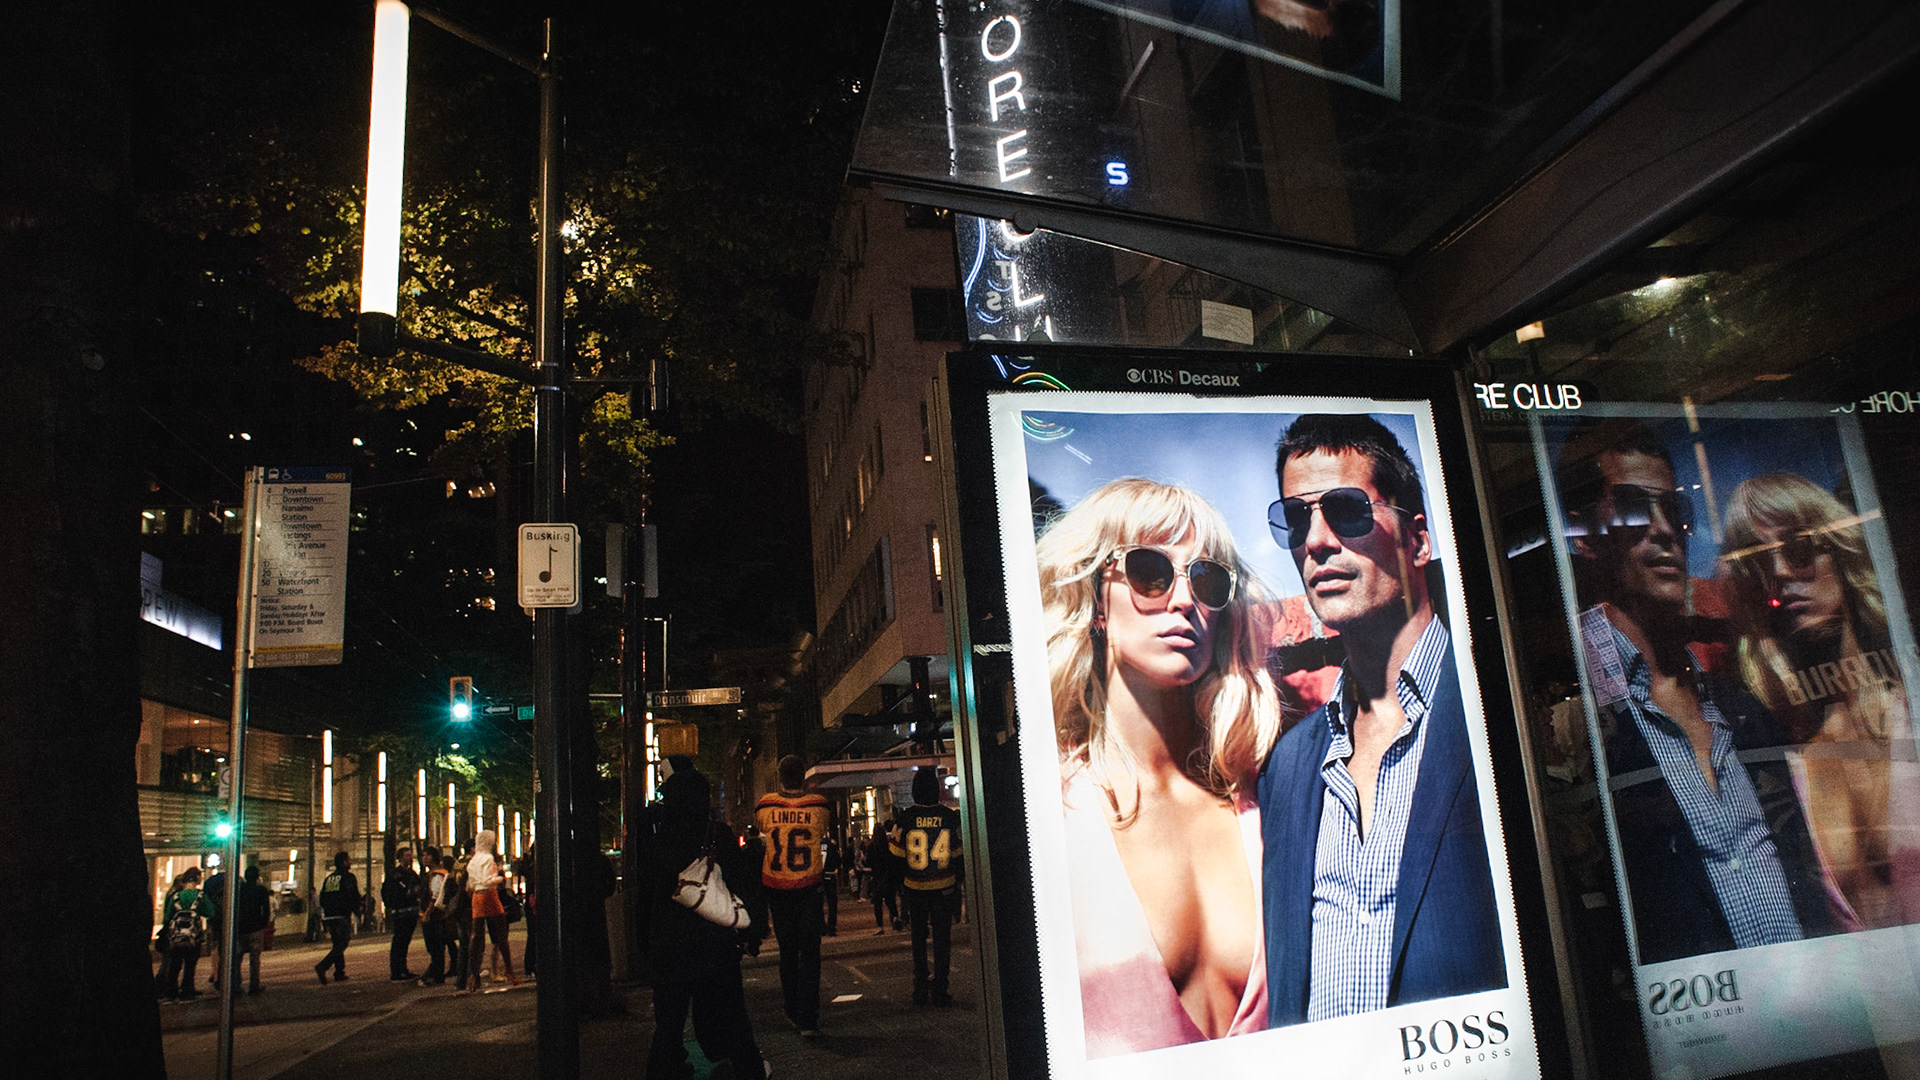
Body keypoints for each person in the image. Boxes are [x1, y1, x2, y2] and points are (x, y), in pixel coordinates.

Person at [1258, 414, 1504, 1025]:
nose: (1316, 541)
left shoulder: (1493, 711)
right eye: (1296, 519)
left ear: (1417, 540)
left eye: (1346, 510)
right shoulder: (1289, 765)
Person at [1559, 421, 1833, 963]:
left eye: (1674, 510)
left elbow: (1793, 857)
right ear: (1583, 535)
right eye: (1634, 508)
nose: (1664, 530)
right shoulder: (1584, 709)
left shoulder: (1735, 704)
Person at [1035, 477, 1279, 1055]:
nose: (1184, 600)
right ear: (1096, 600)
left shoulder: (1264, 799)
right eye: (1150, 571)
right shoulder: (1045, 811)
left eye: (1207, 579)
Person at [1721, 471, 1920, 930]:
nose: (1779, 572)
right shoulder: (1780, 761)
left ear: (1840, 551)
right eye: (1757, 563)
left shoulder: (1910, 706)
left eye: (1799, 547)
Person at [644, 759, 768, 1080]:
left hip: (669, 948)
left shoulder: (659, 841)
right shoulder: (718, 835)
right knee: (734, 1019)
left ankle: (665, 1071)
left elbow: (648, 899)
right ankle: (750, 1071)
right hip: (714, 946)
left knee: (668, 1027)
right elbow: (741, 885)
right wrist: (752, 932)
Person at [755, 754, 830, 1037]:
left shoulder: (766, 805)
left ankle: (792, 1007)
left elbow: (762, 826)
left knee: (787, 951)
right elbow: (821, 828)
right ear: (804, 778)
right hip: (809, 885)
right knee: (810, 952)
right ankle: (809, 1016)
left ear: (780, 777)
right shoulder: (818, 805)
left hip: (778, 886)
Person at [896, 767, 963, 1007]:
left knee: (918, 939)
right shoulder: (949, 817)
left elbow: (896, 856)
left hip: (914, 888)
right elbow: (958, 855)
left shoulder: (905, 818)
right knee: (942, 940)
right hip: (944, 887)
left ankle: (920, 989)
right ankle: (941, 989)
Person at [466, 830, 519, 990]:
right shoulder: (488, 859)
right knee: (501, 934)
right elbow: (487, 880)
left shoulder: (473, 861)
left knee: (476, 936)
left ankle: (473, 974)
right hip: (489, 895)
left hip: (477, 896)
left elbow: (472, 884)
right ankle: (509, 970)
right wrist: (500, 878)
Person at [156, 867, 208, 1002]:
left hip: (176, 936)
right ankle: (187, 989)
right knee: (190, 964)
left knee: (174, 963)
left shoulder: (176, 896)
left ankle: (171, 990)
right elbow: (210, 911)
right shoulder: (200, 896)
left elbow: (167, 917)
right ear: (196, 879)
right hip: (193, 936)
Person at [314, 852, 362, 983]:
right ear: (344, 862)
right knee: (343, 942)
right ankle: (323, 966)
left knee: (337, 943)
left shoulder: (329, 879)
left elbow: (322, 897)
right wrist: (357, 909)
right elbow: (352, 895)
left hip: (330, 916)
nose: (350, 862)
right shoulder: (348, 877)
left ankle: (339, 971)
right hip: (342, 914)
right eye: (349, 860)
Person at [231, 865, 272, 995]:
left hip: (240, 928)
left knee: (237, 958)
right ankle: (254, 985)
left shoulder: (239, 890)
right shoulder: (261, 890)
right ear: (257, 877)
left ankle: (236, 985)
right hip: (256, 927)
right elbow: (266, 909)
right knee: (254, 959)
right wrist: (264, 923)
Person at [383, 846, 421, 982]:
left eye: (410, 855)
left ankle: (403, 969)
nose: (409, 858)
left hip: (410, 912)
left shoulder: (412, 874)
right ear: (399, 858)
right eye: (406, 855)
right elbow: (388, 892)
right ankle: (396, 971)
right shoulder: (395, 875)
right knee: (399, 941)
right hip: (400, 912)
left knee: (405, 942)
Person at [416, 846, 450, 985]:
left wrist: (427, 913)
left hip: (434, 916)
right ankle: (436, 974)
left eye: (427, 855)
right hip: (437, 915)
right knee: (437, 947)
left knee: (435, 947)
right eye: (423, 855)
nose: (424, 858)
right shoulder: (437, 874)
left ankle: (436, 975)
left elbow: (435, 896)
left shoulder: (436, 875)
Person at [865, 822, 900, 934]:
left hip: (877, 877)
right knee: (891, 901)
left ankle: (880, 926)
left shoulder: (872, 846)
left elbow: (868, 862)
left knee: (878, 904)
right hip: (888, 876)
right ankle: (895, 918)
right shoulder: (888, 845)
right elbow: (893, 860)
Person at [820, 832, 841, 936]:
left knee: (818, 903)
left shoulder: (815, 843)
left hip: (818, 876)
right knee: (832, 903)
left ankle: (821, 927)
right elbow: (837, 859)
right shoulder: (830, 844)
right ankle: (831, 927)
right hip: (830, 874)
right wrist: (836, 868)